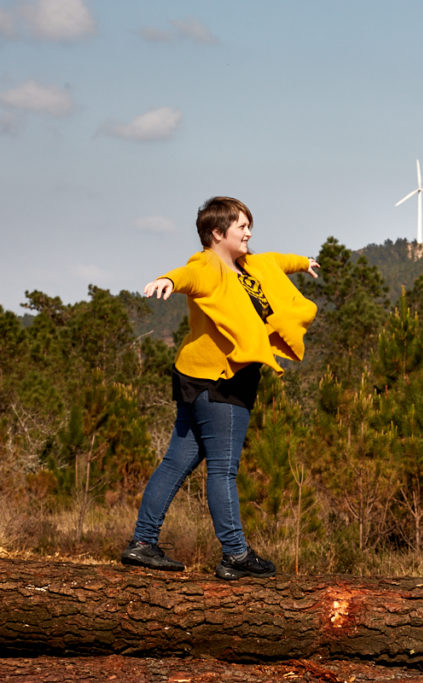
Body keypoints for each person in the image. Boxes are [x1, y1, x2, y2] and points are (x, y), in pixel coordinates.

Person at [121, 196, 319, 580]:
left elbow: (280, 260)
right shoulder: (209, 265)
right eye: (242, 226)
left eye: (249, 226)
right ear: (217, 233)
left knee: (176, 462)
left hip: (197, 378)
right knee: (224, 471)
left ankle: (142, 543)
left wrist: (304, 261)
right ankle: (235, 554)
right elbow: (187, 275)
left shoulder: (251, 265)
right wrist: (167, 280)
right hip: (222, 381)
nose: (249, 233)